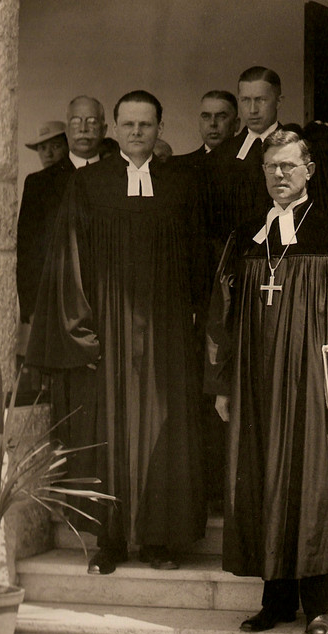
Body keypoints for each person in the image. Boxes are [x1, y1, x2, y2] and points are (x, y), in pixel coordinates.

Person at [205, 130, 328, 634]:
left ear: (309, 171)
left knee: (315, 483)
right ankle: (275, 601)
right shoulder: (246, 237)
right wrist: (222, 384)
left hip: (312, 383)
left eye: (289, 166)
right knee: (263, 479)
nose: (279, 175)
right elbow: (222, 315)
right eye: (271, 167)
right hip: (257, 385)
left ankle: (319, 605)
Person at [27, 90, 207, 575]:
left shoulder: (180, 185)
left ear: (159, 127)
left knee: (160, 435)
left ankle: (158, 540)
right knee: (108, 432)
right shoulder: (89, 186)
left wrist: (196, 320)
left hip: (166, 333)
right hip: (109, 331)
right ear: (115, 128)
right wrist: (80, 330)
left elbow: (199, 263)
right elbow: (69, 261)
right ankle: (109, 540)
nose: (136, 133)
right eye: (127, 124)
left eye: (145, 125)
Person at [16, 98, 108, 375]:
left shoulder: (117, 176)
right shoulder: (40, 183)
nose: (84, 129)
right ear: (68, 130)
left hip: (107, 301)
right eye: (77, 122)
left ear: (104, 129)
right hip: (55, 304)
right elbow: (28, 250)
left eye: (91, 122)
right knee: (61, 385)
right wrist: (31, 308)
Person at [208, 67, 283, 244]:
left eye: (261, 100)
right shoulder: (221, 155)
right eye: (245, 100)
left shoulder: (298, 150)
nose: (252, 109)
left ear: (278, 101)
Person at [178, 90, 240, 160]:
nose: (212, 123)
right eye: (206, 117)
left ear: (236, 124)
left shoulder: (251, 163)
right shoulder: (181, 165)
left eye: (221, 117)